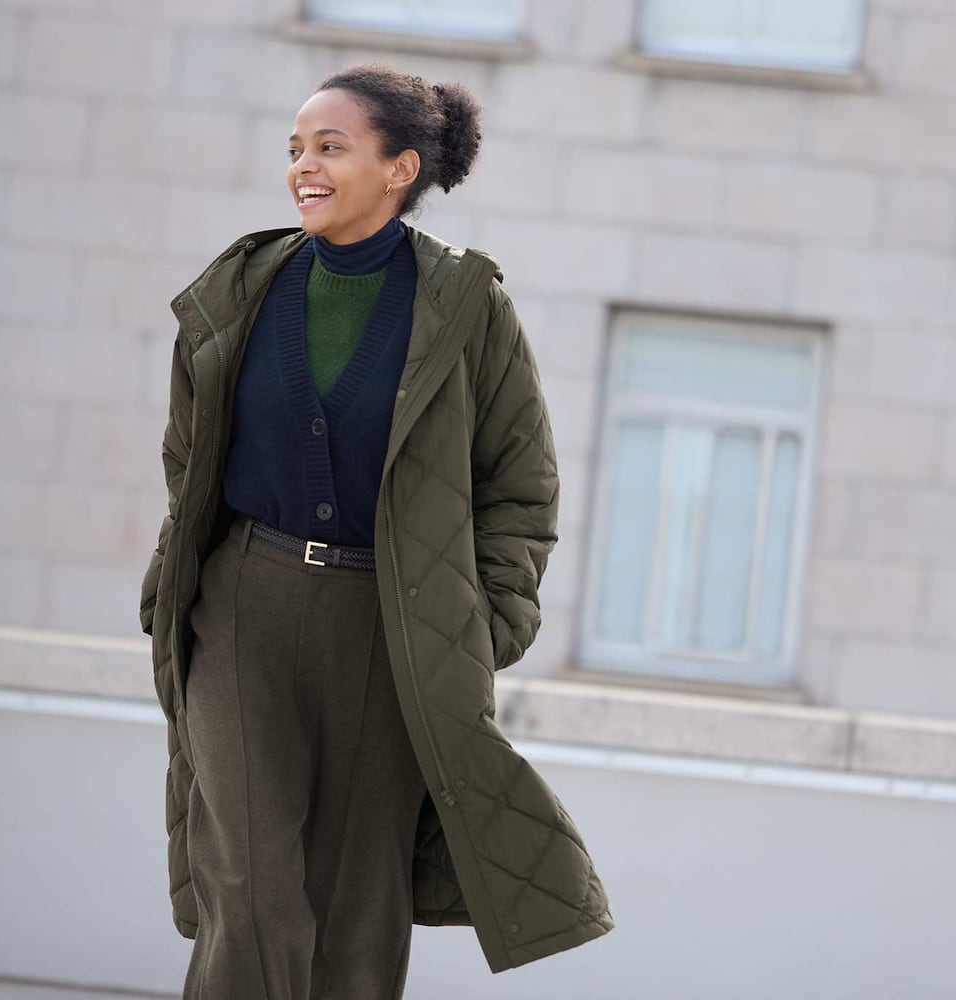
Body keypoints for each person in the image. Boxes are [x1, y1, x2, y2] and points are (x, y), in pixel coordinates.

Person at [138, 62, 614, 999]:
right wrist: (174, 581)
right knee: (252, 885)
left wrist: (488, 622)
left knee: (359, 904)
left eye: (330, 147)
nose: (304, 168)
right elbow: (185, 455)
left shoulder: (469, 308)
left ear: (400, 169)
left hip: (395, 627)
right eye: (296, 149)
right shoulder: (238, 289)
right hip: (244, 607)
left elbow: (521, 484)